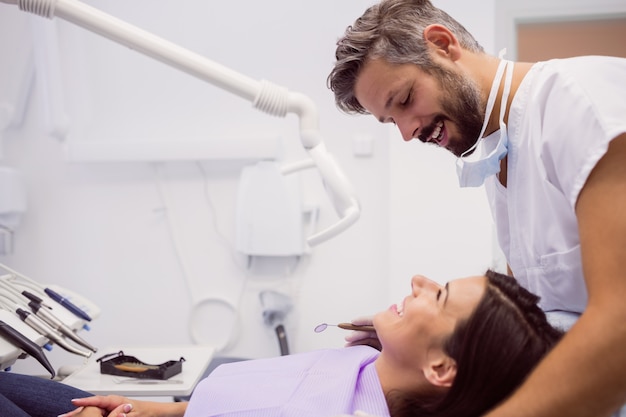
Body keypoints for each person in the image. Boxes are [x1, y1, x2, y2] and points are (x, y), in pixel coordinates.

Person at [327, 1, 626, 416]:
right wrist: (419, 341)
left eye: (405, 99)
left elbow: (620, 326)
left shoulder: (579, 104)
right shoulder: (503, 152)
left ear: (442, 44)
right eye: (390, 120)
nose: (408, 132)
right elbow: (535, 303)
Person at [1, 270, 561, 417]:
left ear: (442, 368)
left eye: (437, 296)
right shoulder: (367, 363)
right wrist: (154, 409)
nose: (418, 280)